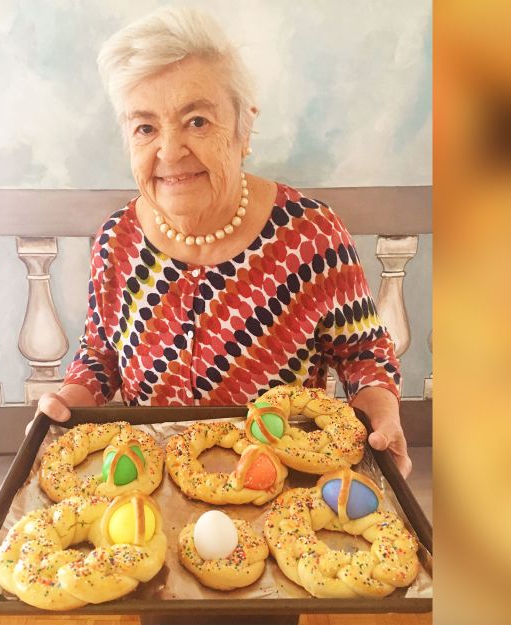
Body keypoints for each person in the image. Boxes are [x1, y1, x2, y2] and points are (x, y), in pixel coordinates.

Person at [34, 6, 412, 477]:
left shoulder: (310, 236)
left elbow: (364, 354)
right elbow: (101, 355)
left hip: (282, 481)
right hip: (151, 485)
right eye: (146, 127)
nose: (169, 151)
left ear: (243, 127)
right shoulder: (118, 239)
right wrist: (70, 398)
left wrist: (381, 410)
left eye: (196, 121)